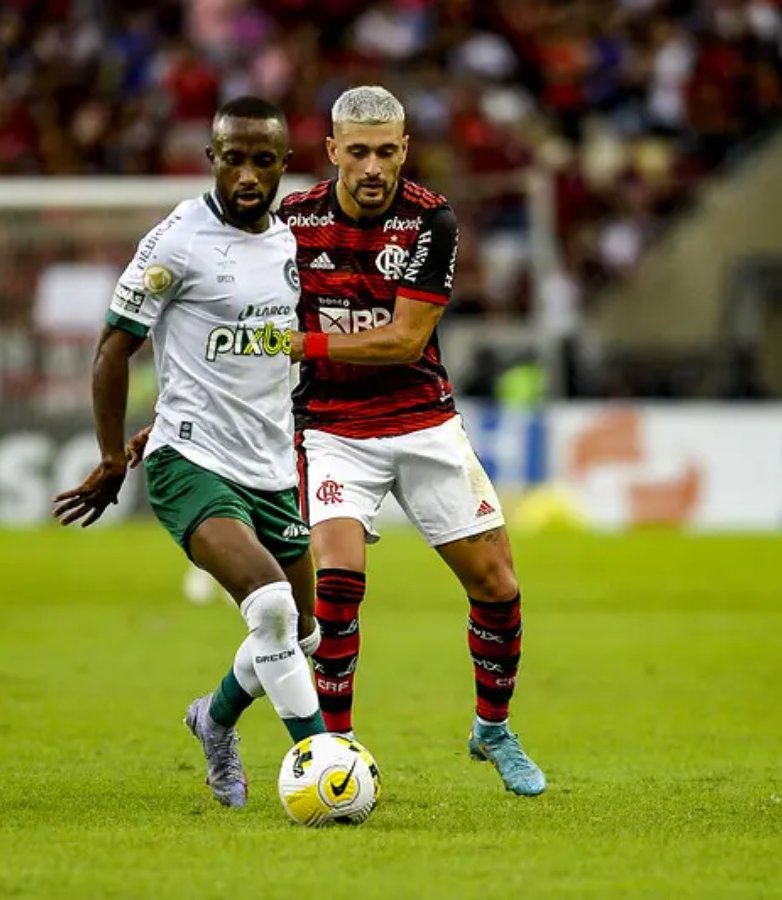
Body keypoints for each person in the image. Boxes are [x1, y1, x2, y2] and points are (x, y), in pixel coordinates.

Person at [53, 96, 325, 810]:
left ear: (282, 166)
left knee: (308, 633)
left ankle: (215, 718)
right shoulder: (178, 239)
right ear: (211, 158)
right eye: (232, 157)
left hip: (271, 466)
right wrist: (116, 456)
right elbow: (116, 345)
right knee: (268, 608)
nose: (245, 174)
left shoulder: (291, 241)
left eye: (262, 161)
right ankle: (323, 757)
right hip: (191, 464)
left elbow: (265, 358)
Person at [280, 85, 546, 796]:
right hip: (332, 428)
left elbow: (403, 340)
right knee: (335, 586)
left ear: (405, 151)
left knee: (497, 586)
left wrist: (294, 342)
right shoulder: (291, 222)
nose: (373, 167)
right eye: (358, 151)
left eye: (387, 152)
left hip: (423, 419)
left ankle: (492, 728)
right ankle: (333, 746)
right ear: (332, 150)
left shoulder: (432, 221)